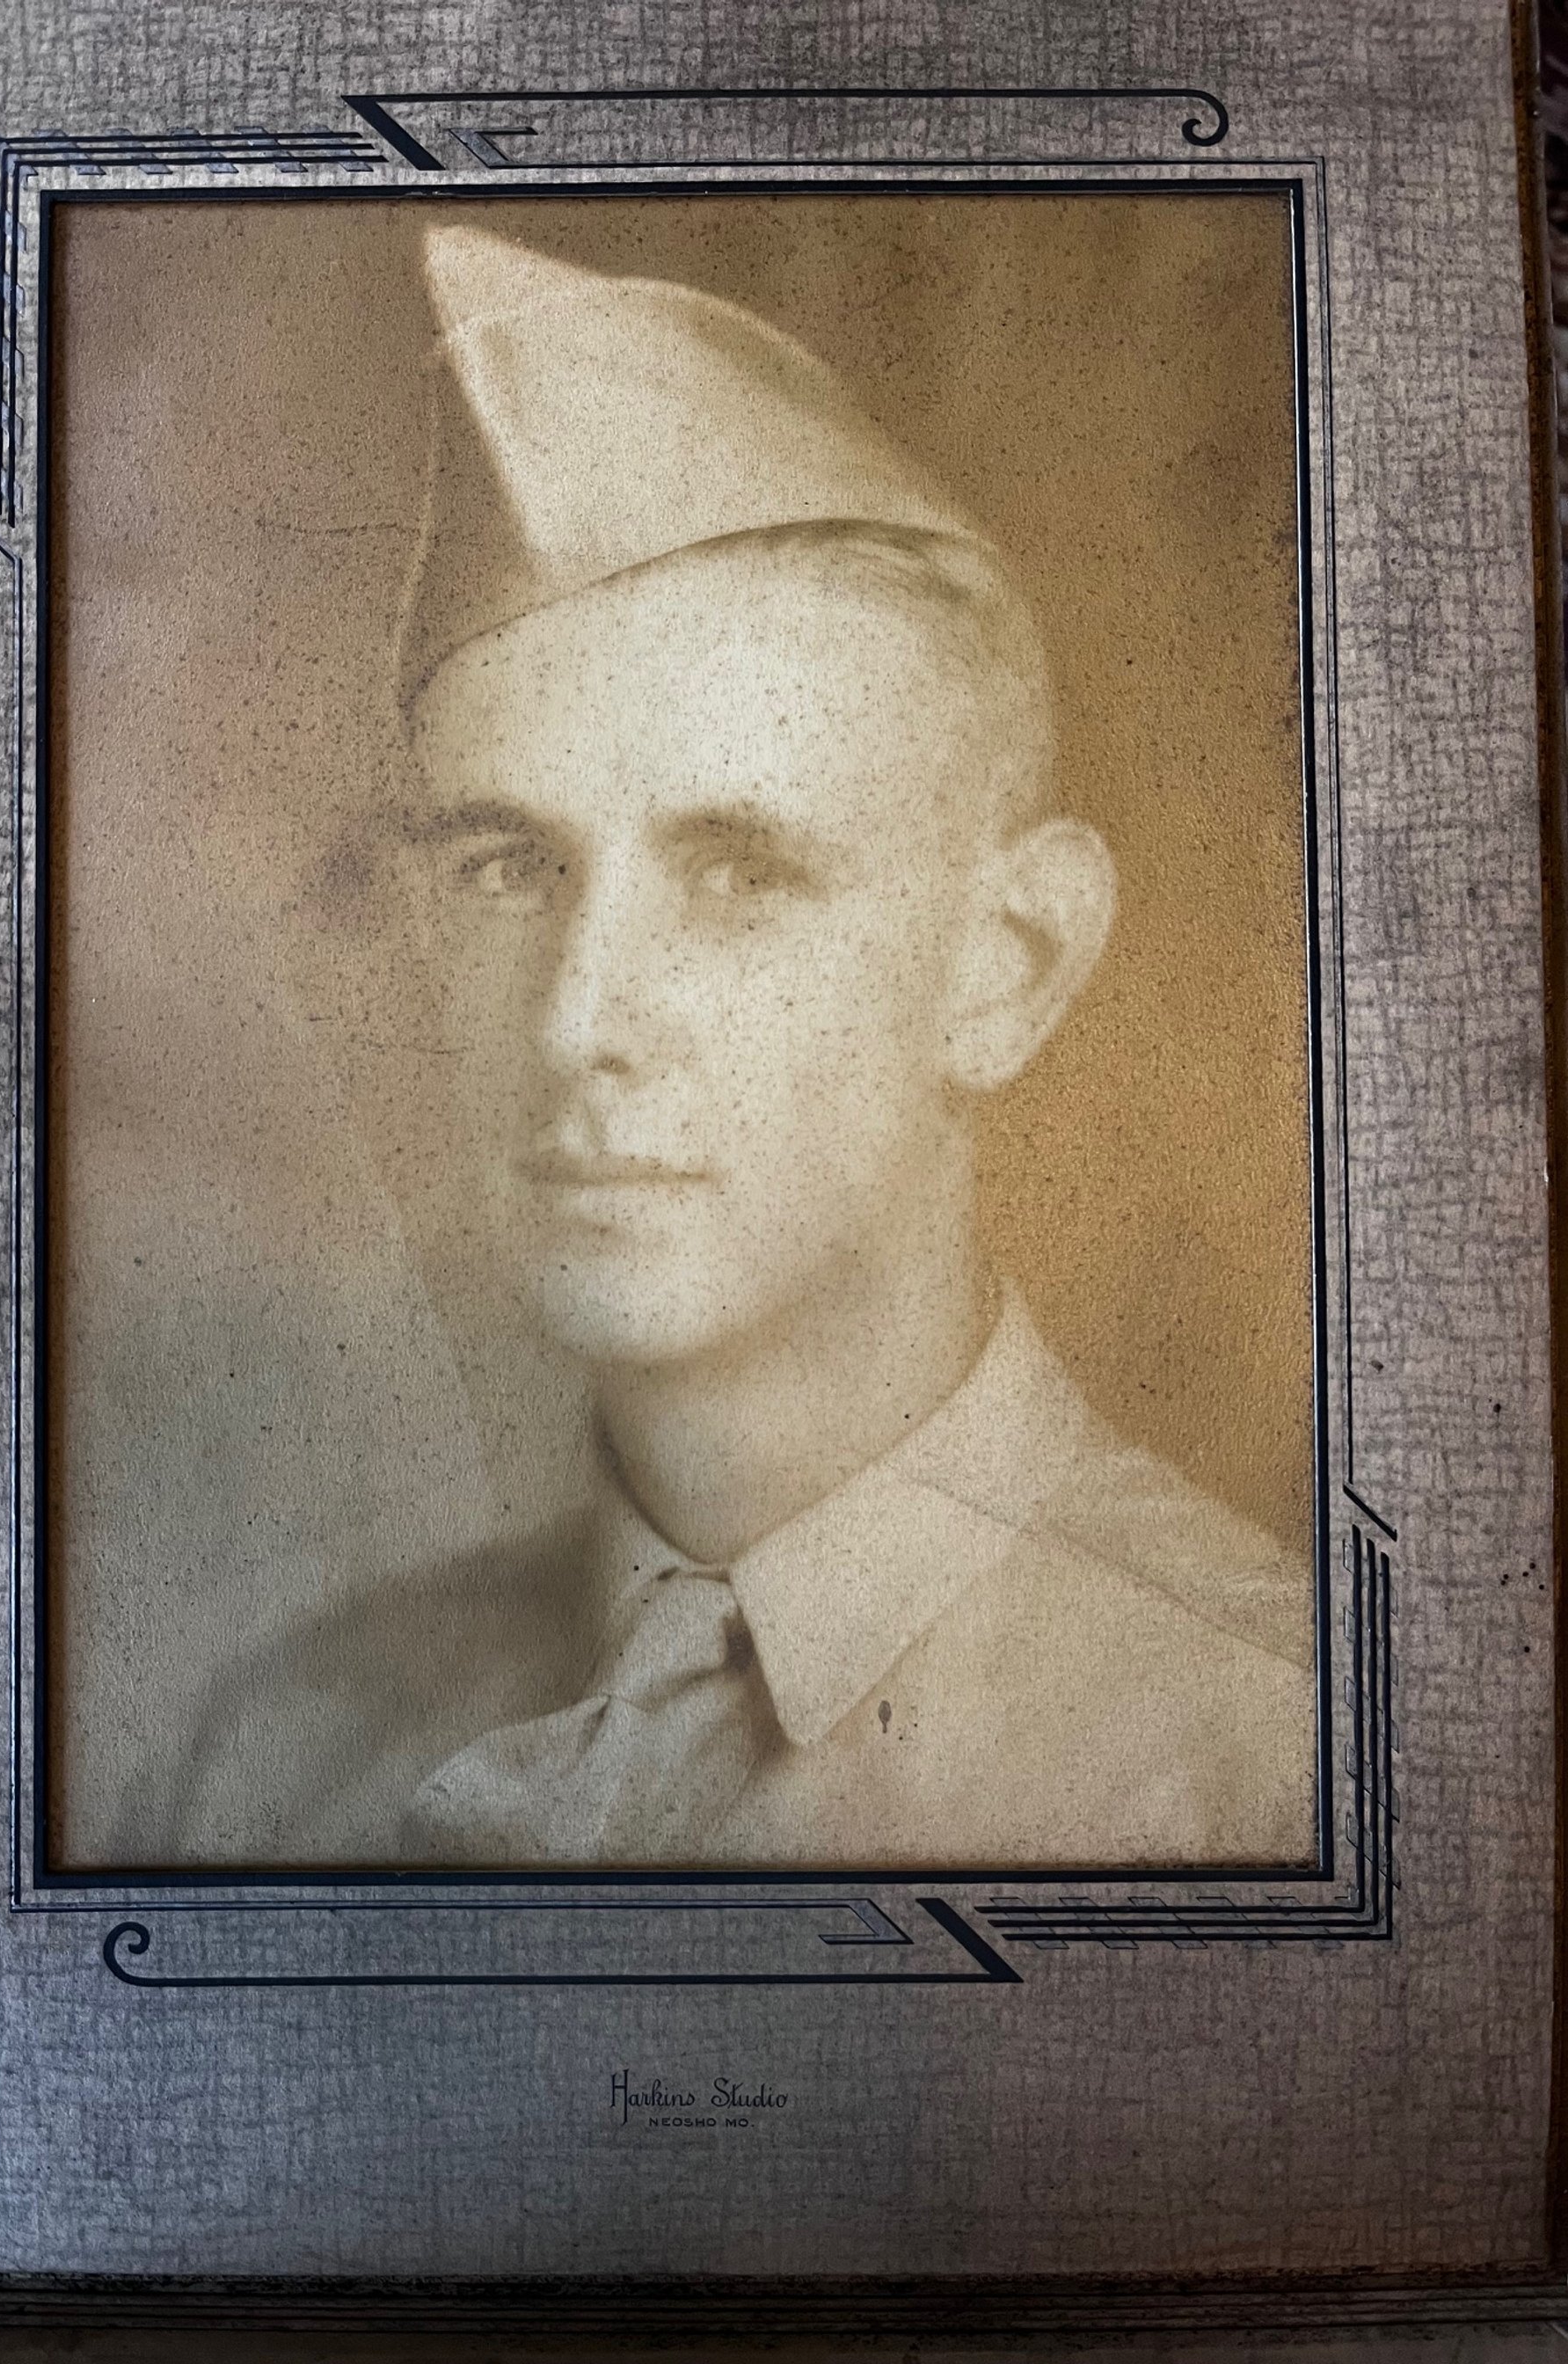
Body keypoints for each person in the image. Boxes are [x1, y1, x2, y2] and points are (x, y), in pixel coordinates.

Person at [158, 225, 1316, 1872]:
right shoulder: (285, 1755)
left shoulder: (1267, 1760)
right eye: (510, 868)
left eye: (739, 872)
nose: (576, 1020)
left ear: (1009, 964)